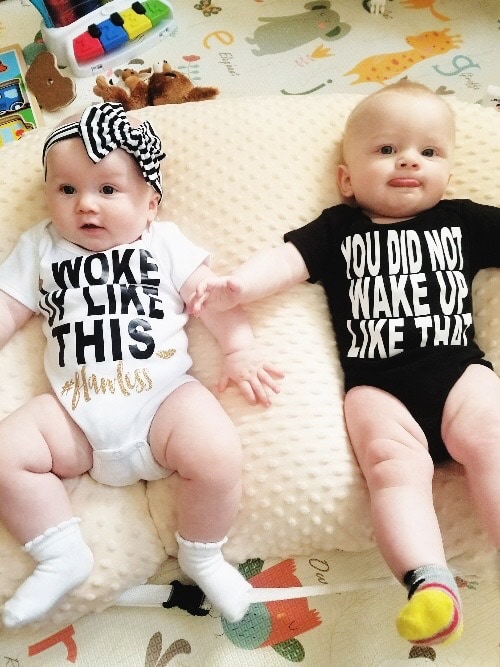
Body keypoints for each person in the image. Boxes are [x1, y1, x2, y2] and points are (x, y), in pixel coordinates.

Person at [188, 80, 500, 646]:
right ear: (346, 178)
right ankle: (429, 584)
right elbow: (284, 261)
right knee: (391, 471)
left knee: (494, 439)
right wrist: (237, 287)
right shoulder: (337, 228)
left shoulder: (466, 220)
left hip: (458, 373)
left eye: (428, 152)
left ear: (448, 172)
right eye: (386, 150)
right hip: (377, 389)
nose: (408, 159)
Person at [0, 102, 283, 629]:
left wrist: (240, 348)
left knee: (218, 455)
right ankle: (61, 553)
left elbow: (214, 300)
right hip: (73, 415)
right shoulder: (39, 248)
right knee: (6, 453)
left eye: (108, 190)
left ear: (150, 204)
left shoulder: (164, 244)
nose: (86, 204)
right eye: (67, 190)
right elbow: (9, 307)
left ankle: (202, 555)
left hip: (162, 402)